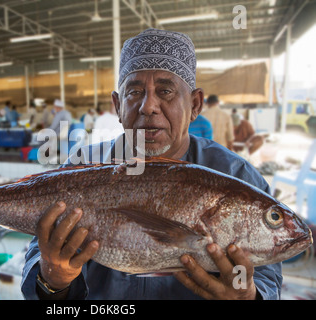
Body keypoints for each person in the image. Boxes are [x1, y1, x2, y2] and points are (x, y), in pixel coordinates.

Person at [21, 28, 282, 300]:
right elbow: (39, 257)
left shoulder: (235, 175)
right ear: (118, 105)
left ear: (195, 104)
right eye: (134, 92)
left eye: (165, 91)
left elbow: (266, 276)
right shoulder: (83, 164)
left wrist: (250, 296)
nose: (148, 107)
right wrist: (53, 281)